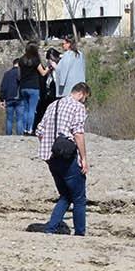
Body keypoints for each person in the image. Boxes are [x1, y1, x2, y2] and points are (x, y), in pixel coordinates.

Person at [32, 82, 90, 236]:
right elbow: (78, 133)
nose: (84, 102)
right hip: (67, 156)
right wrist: (84, 158)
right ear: (82, 94)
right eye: (85, 99)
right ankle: (80, 233)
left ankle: (51, 228)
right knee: (79, 198)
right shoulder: (78, 107)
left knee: (65, 195)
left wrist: (48, 146)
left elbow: (39, 131)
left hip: (51, 157)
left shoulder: (53, 105)